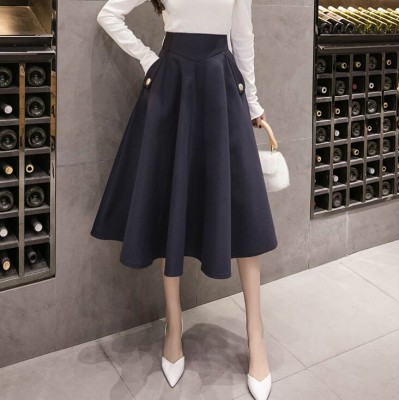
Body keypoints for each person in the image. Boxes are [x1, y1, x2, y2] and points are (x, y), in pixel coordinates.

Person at [91, 0, 278, 398]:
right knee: (169, 199)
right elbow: (108, 14)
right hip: (172, 88)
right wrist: (148, 59)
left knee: (243, 209)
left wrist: (253, 104)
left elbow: (242, 36)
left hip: (222, 87)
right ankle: (173, 327)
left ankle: (256, 336)